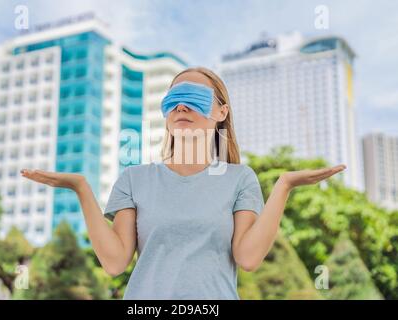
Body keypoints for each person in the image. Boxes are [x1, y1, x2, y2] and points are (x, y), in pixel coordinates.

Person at [21, 67, 346, 299]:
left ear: (221, 111)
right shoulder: (134, 178)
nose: (181, 105)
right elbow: (115, 262)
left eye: (193, 97)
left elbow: (247, 259)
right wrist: (81, 188)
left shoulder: (239, 179)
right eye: (173, 98)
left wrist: (284, 187)